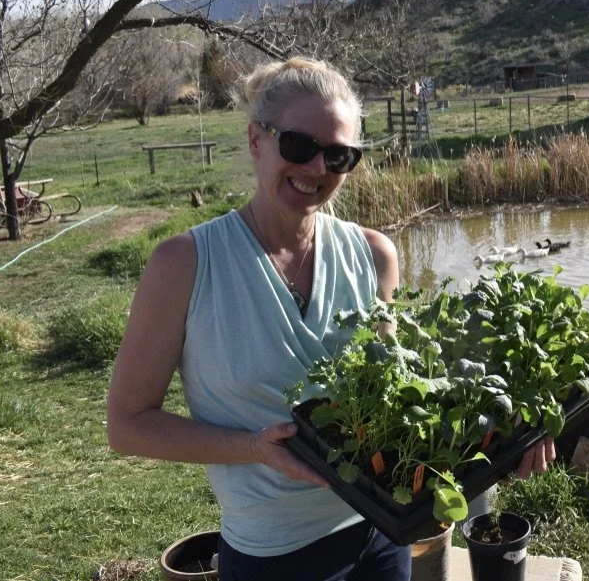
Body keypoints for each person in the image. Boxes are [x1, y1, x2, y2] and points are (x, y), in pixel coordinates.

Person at [106, 58, 555, 581]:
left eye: (339, 155)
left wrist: (505, 435)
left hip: (383, 534)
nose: (319, 168)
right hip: (272, 555)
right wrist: (251, 448)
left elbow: (397, 405)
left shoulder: (374, 255)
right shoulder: (185, 265)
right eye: (299, 146)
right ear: (256, 140)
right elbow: (128, 425)